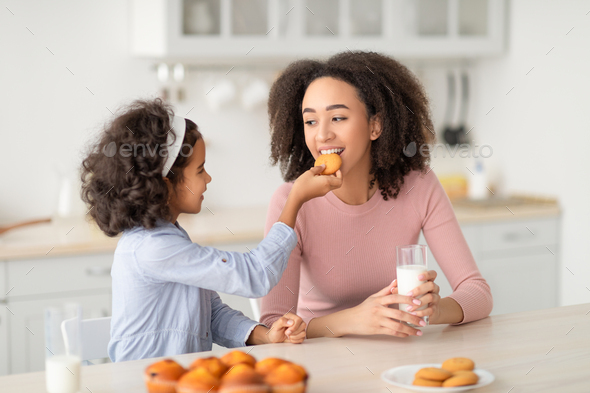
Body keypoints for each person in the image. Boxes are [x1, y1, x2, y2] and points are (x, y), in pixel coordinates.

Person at [80, 99, 342, 361]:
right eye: (200, 170)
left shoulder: (169, 235)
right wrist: (295, 199)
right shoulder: (153, 248)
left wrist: (265, 335)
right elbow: (256, 274)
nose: (208, 178)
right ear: (166, 184)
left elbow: (210, 313)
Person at [261, 51, 493, 339]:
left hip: (399, 359)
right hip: (322, 363)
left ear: (375, 126)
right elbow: (272, 325)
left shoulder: (420, 187)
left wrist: (434, 311)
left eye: (337, 117)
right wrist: (354, 320)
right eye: (311, 122)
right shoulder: (291, 201)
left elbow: (478, 292)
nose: (322, 135)